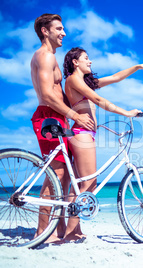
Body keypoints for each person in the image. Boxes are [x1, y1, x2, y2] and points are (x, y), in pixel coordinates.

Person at [63, 47, 143, 241]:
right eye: (86, 58)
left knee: (79, 186)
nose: (90, 62)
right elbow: (98, 99)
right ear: (75, 62)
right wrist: (126, 112)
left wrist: (137, 67)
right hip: (82, 134)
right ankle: (71, 233)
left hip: (85, 134)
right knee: (89, 182)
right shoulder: (73, 79)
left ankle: (74, 230)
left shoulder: (85, 82)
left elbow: (115, 77)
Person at [30, 14, 94, 243]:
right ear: (45, 31)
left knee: (66, 175)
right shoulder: (45, 56)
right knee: (56, 174)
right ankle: (42, 232)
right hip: (49, 117)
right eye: (59, 28)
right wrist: (75, 114)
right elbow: (47, 94)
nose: (64, 33)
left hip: (60, 118)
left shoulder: (51, 58)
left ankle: (59, 229)